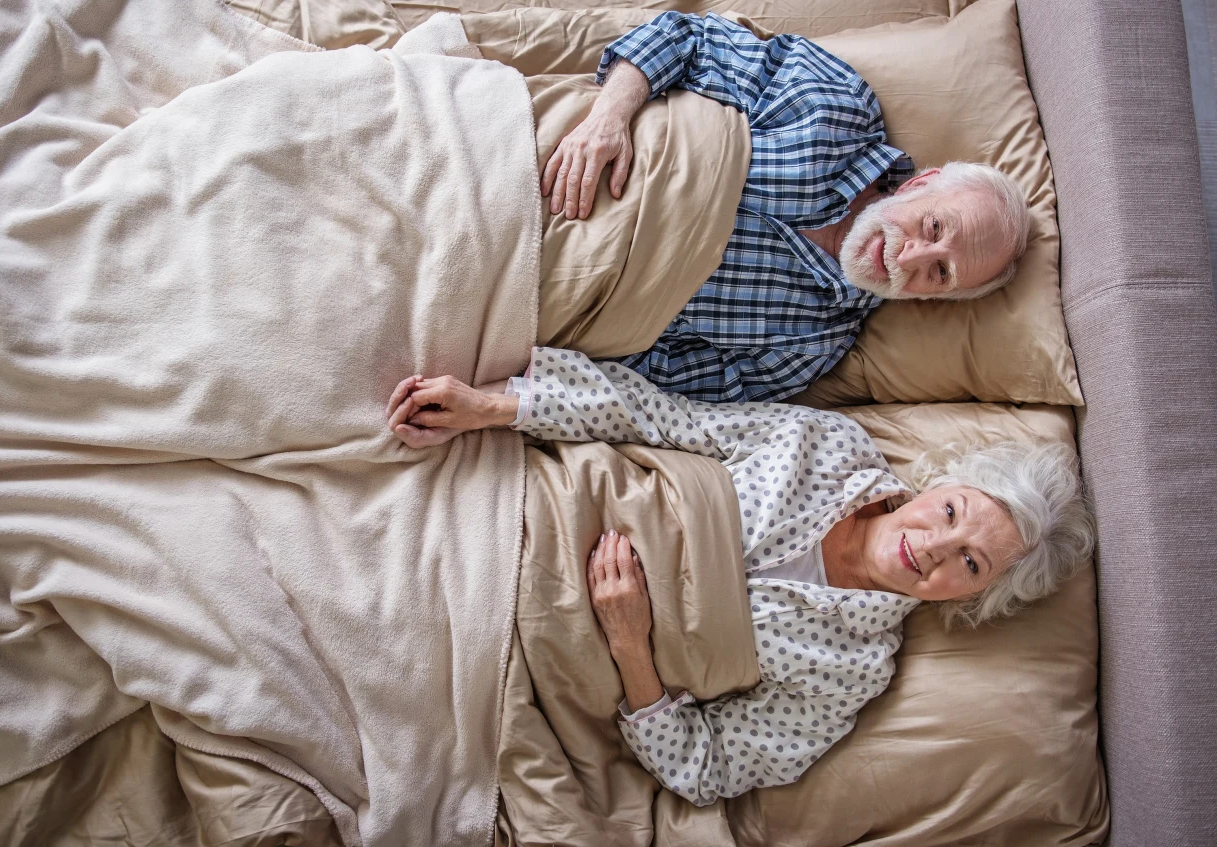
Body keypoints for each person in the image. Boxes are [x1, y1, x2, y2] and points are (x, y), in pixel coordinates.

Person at [384, 351, 1093, 805]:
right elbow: (668, 420)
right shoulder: (829, 445)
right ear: (937, 486)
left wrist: (632, 644)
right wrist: (495, 406)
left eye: (971, 563)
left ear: (976, 598)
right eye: (952, 512)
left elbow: (711, 766)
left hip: (557, 644)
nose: (935, 546)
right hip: (555, 502)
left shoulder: (852, 669)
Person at [543, 12, 1031, 403]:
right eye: (933, 226)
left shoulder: (810, 346)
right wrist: (607, 117)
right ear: (921, 183)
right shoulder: (838, 108)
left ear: (934, 300)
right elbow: (687, 38)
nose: (908, 259)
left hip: (540, 291)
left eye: (940, 273)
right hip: (549, 145)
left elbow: (644, 389)